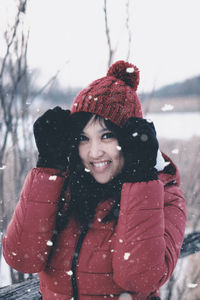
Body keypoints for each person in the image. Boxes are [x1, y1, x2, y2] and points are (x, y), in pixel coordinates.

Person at [3, 60, 186, 300]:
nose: (94, 152)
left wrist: (140, 179)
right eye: (83, 138)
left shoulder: (164, 194)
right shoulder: (64, 188)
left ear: (130, 138)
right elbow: (21, 258)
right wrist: (48, 165)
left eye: (107, 136)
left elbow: (139, 278)